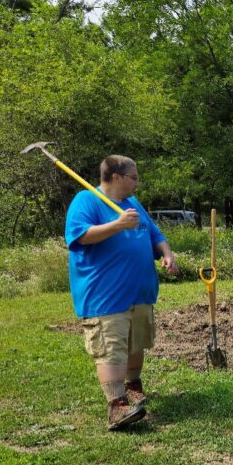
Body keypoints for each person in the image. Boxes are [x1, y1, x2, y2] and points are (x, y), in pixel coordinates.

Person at [65, 155, 178, 431]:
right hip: (105, 295)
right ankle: (116, 405)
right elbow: (79, 236)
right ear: (116, 176)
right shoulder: (86, 200)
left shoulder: (133, 204)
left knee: (135, 343)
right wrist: (117, 224)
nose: (137, 182)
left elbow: (154, 234)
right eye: (134, 177)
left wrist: (166, 253)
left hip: (139, 293)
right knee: (111, 348)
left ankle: (133, 386)